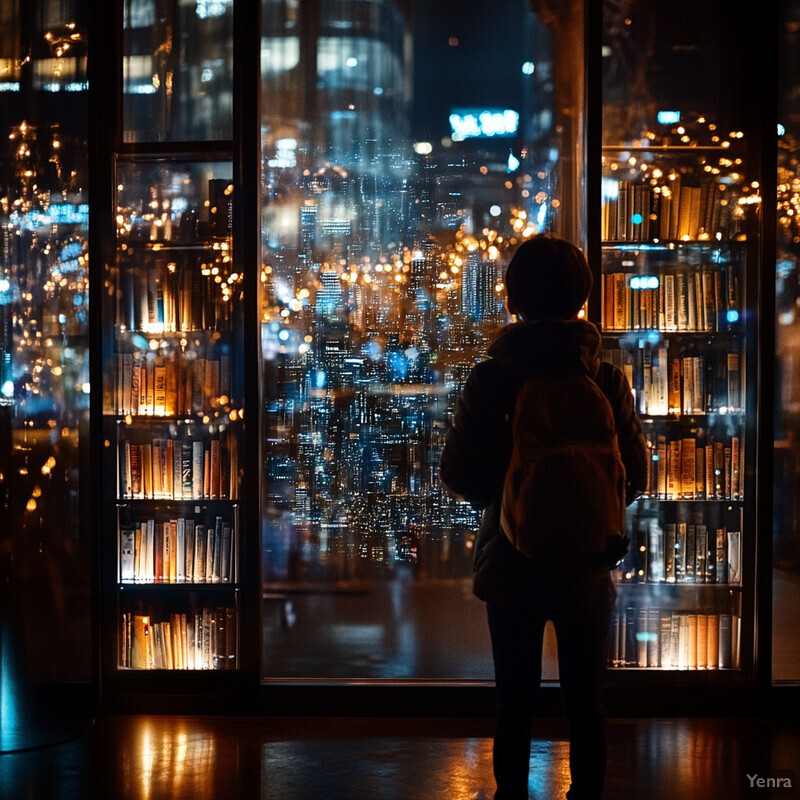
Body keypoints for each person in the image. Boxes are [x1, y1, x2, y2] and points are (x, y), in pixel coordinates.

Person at [439, 234, 648, 800]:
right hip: (586, 564)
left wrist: (513, 493)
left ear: (513, 298)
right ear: (582, 299)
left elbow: (457, 474)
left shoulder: (491, 380)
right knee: (586, 703)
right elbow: (637, 473)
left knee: (515, 701)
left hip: (510, 563)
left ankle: (513, 796)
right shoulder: (605, 379)